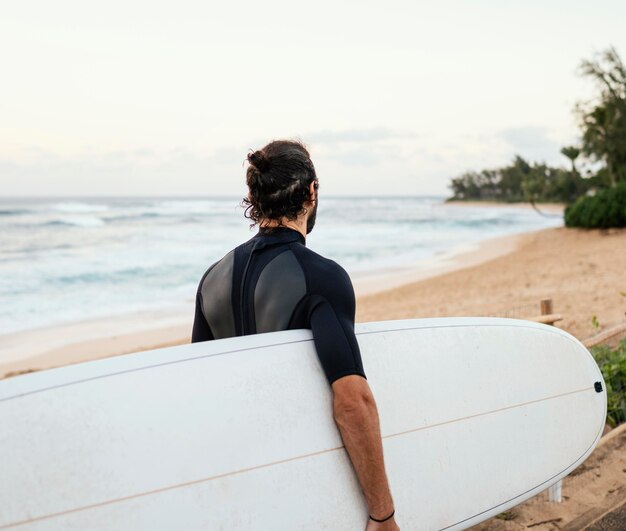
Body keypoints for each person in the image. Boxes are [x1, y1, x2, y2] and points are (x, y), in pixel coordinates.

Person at [192, 139, 399, 530]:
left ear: (255, 196)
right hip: (305, 477)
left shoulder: (211, 278)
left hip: (238, 485)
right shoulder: (322, 277)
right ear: (312, 191)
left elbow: (201, 392)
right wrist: (382, 514)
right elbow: (353, 401)